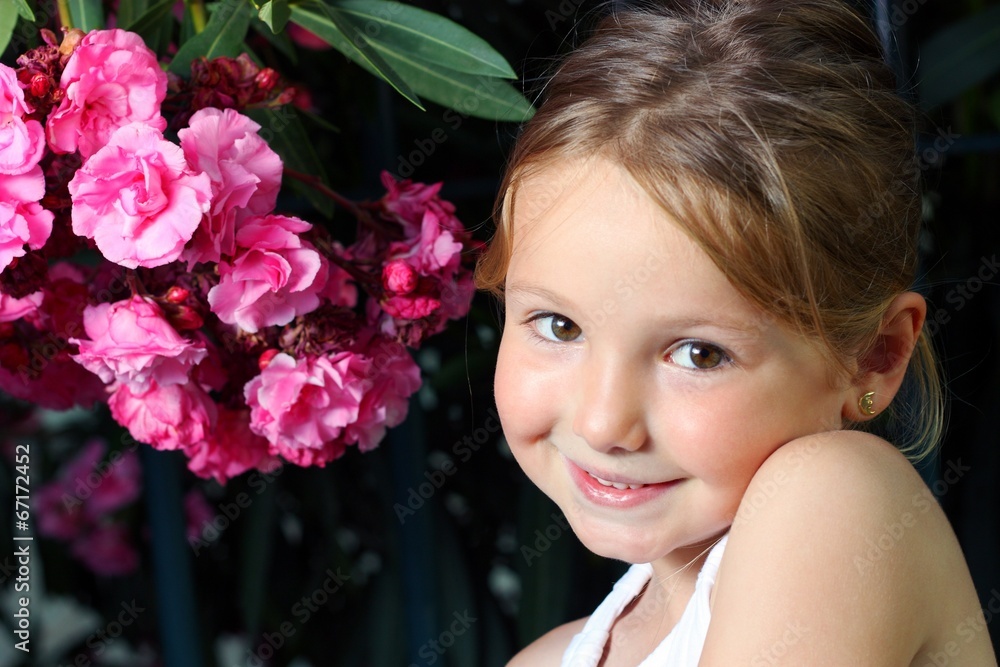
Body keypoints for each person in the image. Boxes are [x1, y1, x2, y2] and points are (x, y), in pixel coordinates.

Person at [474, 0, 999, 665]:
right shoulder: (549, 658)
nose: (604, 423)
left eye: (699, 354)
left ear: (874, 356)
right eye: (559, 325)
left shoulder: (834, 495)